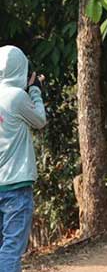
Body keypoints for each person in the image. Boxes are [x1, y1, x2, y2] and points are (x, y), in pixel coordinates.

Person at [0, 46, 47, 272]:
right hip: (16, 185)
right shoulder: (17, 97)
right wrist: (35, 90)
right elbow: (39, 120)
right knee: (11, 248)